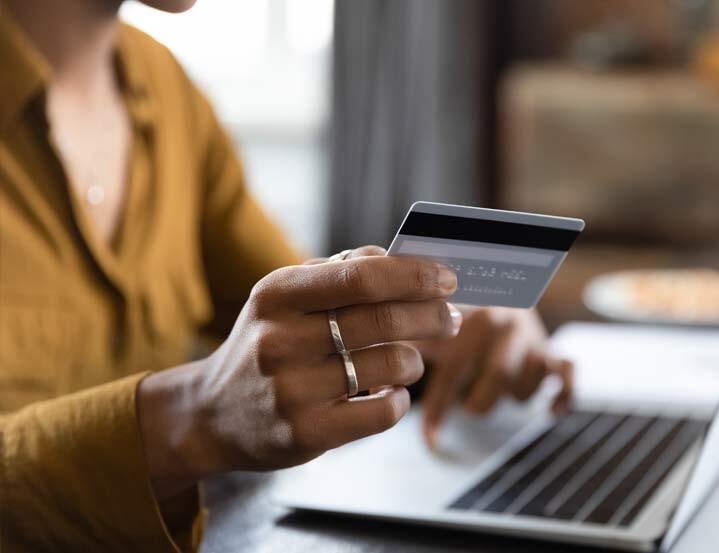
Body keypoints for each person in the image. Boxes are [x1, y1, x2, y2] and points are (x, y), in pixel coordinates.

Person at [0, 0, 573, 551]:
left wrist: (459, 322)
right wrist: (189, 418)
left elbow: (299, 315)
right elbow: (235, 382)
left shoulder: (164, 89)